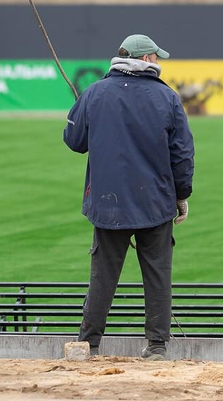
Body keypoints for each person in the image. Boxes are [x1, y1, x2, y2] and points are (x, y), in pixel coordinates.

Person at [63, 33, 195, 361]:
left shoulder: (95, 92)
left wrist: (80, 107)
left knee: (102, 276)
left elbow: (74, 140)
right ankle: (157, 347)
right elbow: (182, 154)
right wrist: (182, 195)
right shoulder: (167, 98)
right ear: (146, 59)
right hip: (156, 201)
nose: (159, 63)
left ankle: (89, 345)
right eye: (156, 57)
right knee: (158, 275)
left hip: (108, 203)